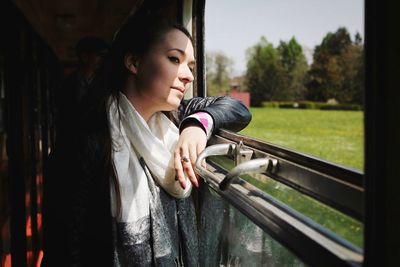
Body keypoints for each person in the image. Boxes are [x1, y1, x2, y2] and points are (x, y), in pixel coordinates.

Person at [41, 12, 252, 267]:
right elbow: (66, 250)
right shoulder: (85, 142)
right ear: (133, 62)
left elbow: (238, 109)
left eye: (191, 66)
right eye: (175, 59)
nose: (189, 76)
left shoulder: (177, 118)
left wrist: (197, 124)